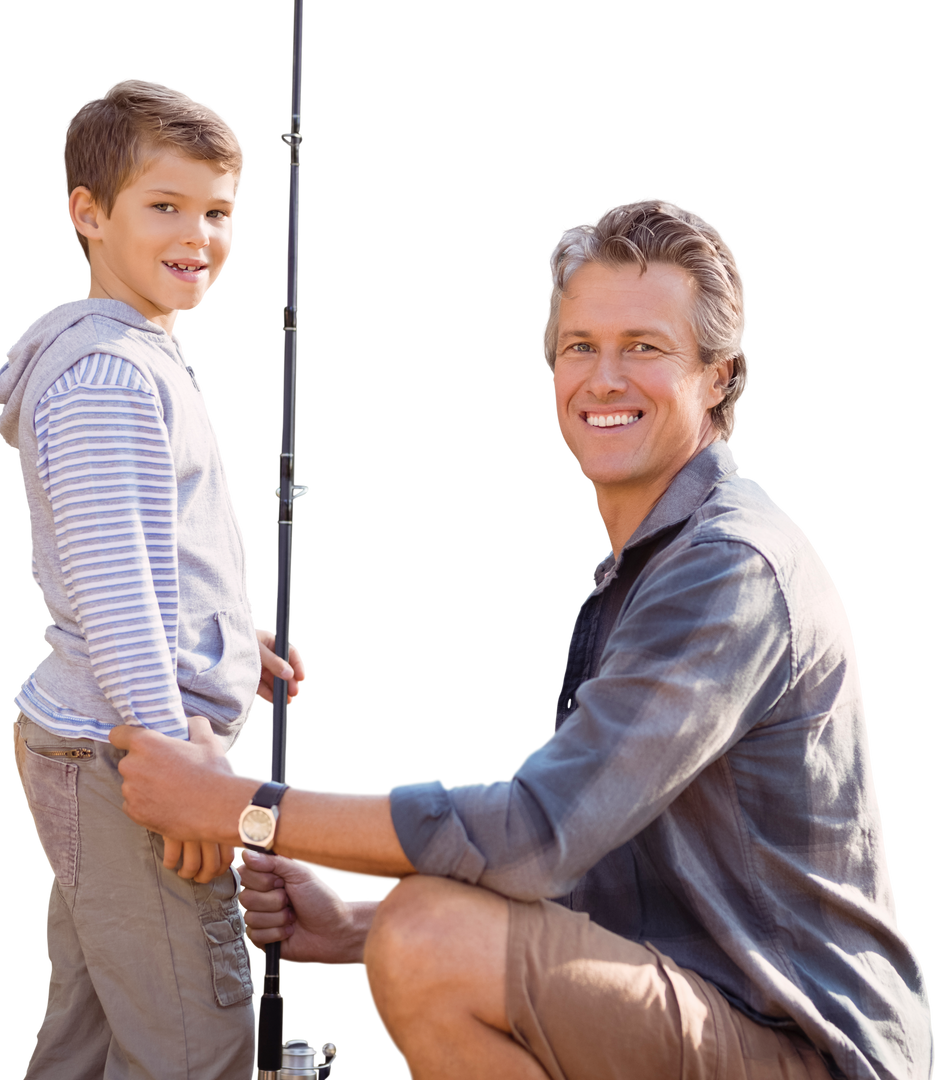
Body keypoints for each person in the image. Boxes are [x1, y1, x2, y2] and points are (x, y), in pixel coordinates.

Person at [107, 196, 934, 1080]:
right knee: (414, 922)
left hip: (815, 1053)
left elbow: (537, 836)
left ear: (722, 375)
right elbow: (597, 877)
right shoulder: (644, 570)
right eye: (581, 347)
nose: (604, 378)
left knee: (431, 939)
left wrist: (237, 806)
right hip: (714, 1013)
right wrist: (353, 927)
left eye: (644, 348)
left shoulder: (728, 569)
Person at [0, 76, 308, 1080]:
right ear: (88, 213)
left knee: (87, 1035)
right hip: (125, 762)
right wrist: (183, 778)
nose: (198, 236)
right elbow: (117, 599)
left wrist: (222, 645)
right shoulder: (106, 378)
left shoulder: (137, 350)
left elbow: (145, 564)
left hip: (98, 745)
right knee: (195, 1046)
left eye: (218, 212)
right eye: (164, 206)